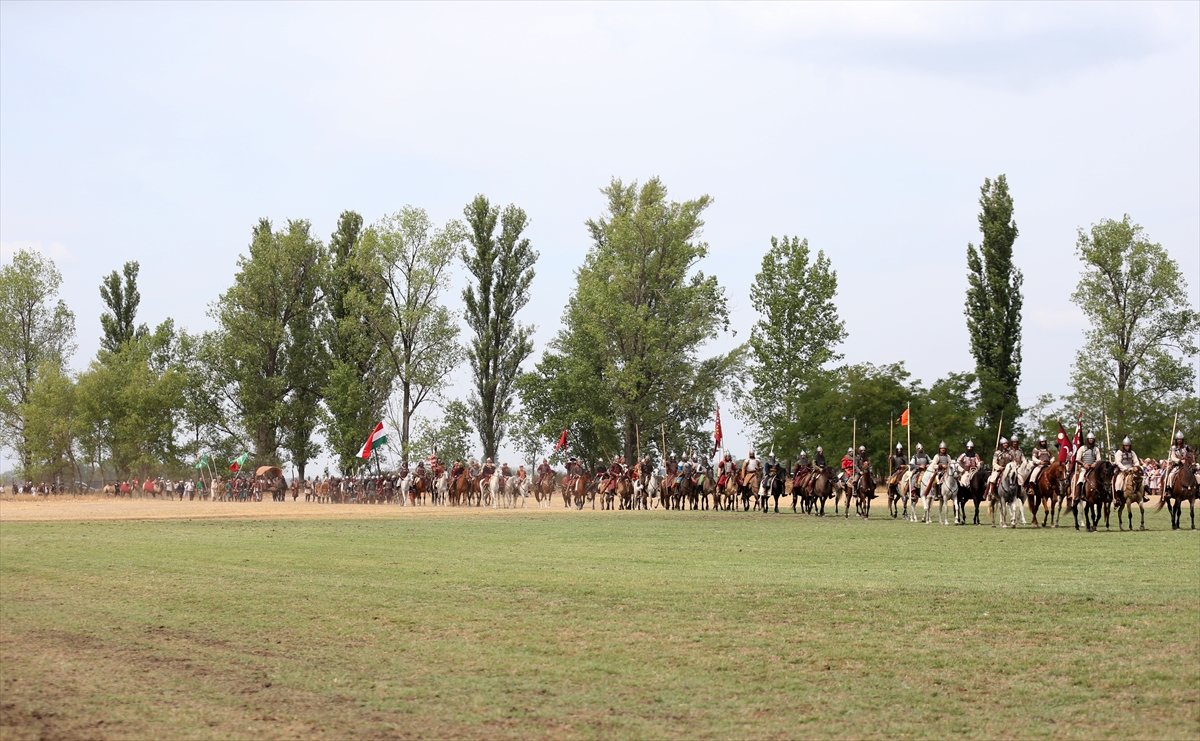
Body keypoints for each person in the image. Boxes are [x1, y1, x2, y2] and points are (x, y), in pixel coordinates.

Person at [1112, 436, 1141, 502]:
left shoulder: (1132, 452)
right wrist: (1125, 469)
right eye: (1126, 446)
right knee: (1118, 482)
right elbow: (1118, 462)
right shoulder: (1119, 452)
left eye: (1128, 446)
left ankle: (1143, 495)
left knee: (1140, 479)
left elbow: (1136, 461)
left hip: (1131, 470)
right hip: (1122, 471)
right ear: (1123, 446)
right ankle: (1118, 497)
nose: (1127, 447)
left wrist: (1136, 467)